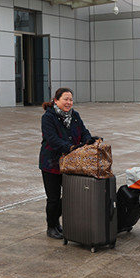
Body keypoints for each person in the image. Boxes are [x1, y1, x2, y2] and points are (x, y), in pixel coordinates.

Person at [39, 88, 95, 239]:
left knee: (70, 195)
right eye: (65, 99)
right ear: (56, 100)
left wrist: (89, 140)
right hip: (51, 163)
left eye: (71, 99)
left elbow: (83, 131)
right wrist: (69, 147)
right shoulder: (48, 117)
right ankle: (51, 226)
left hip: (71, 163)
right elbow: (52, 139)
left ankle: (57, 223)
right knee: (53, 198)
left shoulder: (74, 116)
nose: (69, 103)